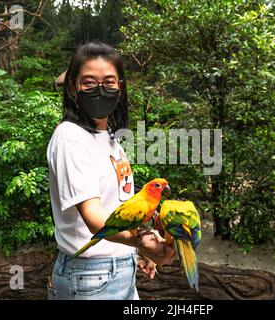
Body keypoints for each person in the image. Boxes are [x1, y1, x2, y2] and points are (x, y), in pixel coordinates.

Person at [46, 41, 175, 300]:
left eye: (109, 82)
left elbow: (118, 207)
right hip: (90, 277)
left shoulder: (109, 137)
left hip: (118, 268)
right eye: (89, 83)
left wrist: (136, 250)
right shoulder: (70, 137)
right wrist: (139, 241)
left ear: (120, 87)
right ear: (73, 87)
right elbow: (93, 215)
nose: (100, 89)